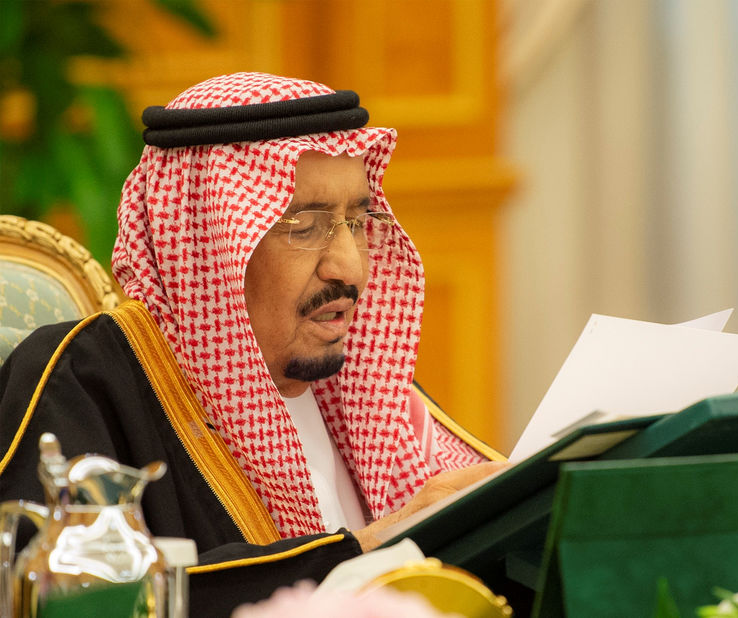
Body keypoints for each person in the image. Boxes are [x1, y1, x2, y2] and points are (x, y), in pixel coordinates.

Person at [0, 72, 504, 615]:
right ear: (209, 243)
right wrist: (367, 551)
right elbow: (69, 601)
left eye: (358, 221)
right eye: (305, 226)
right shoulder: (86, 378)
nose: (350, 268)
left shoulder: (362, 390)